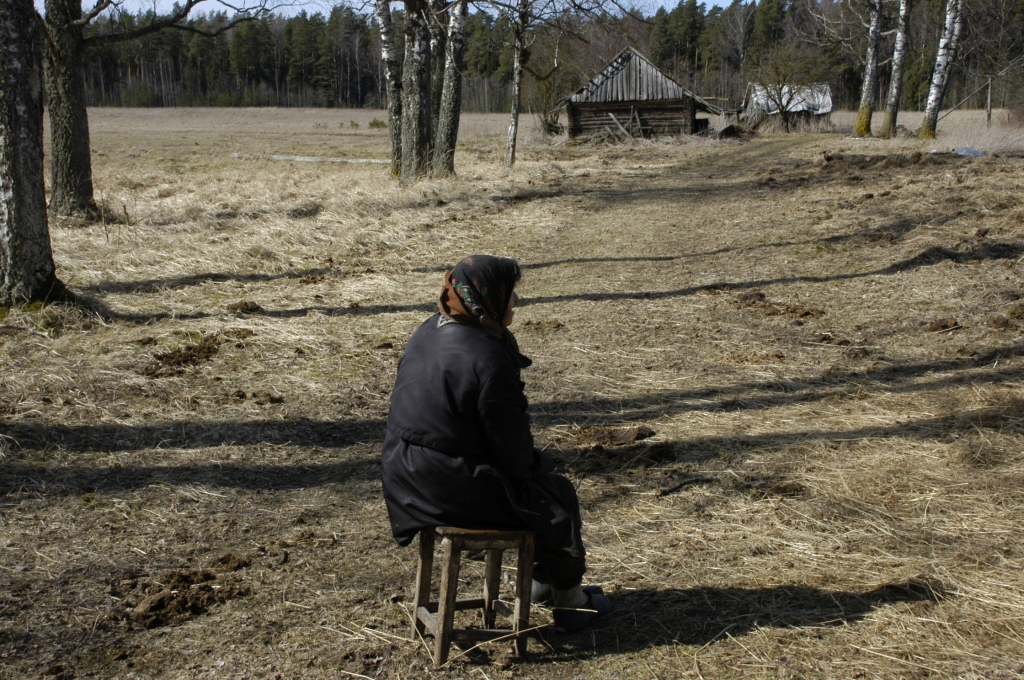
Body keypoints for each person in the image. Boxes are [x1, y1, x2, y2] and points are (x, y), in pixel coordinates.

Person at [381, 254, 612, 631]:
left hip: (403, 473)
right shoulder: (488, 359)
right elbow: (514, 453)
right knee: (555, 496)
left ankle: (540, 585)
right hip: (447, 485)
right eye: (511, 293)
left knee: (540, 491)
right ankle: (570, 602)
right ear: (487, 297)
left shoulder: (428, 329)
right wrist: (541, 465)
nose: (516, 301)